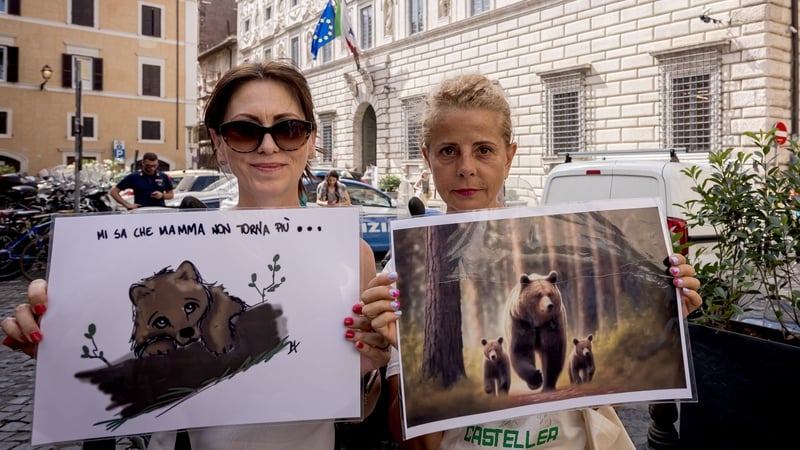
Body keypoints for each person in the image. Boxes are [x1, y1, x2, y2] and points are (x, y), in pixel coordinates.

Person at [0, 61, 393, 449]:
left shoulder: (348, 253)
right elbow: (123, 370)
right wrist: (61, 347)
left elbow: (358, 411)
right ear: (219, 143)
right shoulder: (163, 250)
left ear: (309, 138)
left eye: (287, 128)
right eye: (244, 130)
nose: (268, 145)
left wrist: (364, 370)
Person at [356, 74, 704, 450]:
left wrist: (661, 316)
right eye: (448, 151)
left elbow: (601, 399)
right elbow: (415, 443)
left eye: (484, 150)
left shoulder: (557, 243)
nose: (466, 167)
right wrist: (413, 361)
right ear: (427, 158)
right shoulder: (405, 270)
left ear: (509, 157)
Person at [109, 152, 174, 209]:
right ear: (143, 163)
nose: (152, 168)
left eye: (154, 166)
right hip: (140, 211)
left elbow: (171, 195)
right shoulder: (134, 177)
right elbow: (114, 192)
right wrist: (127, 204)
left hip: (160, 210)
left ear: (157, 164)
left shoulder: (163, 176)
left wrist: (162, 195)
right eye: (148, 166)